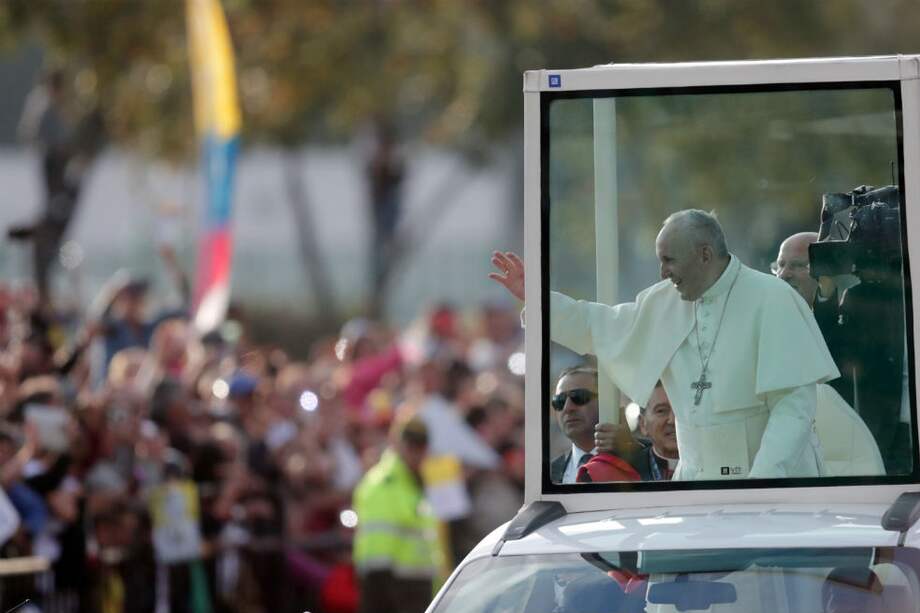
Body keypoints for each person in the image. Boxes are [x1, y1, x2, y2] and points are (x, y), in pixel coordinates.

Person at [491, 209, 838, 480]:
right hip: (698, 483)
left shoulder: (773, 299)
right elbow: (597, 325)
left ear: (704, 254)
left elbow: (794, 407)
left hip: (775, 485)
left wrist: (763, 481)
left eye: (669, 260)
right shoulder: (663, 302)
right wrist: (536, 298)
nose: (662, 273)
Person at [773, 231, 908, 474]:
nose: (783, 274)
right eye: (780, 265)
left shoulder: (857, 310)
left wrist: (826, 294)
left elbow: (833, 361)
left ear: (827, 269)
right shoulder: (766, 318)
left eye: (798, 266)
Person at [352, 415, 440, 613]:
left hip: (417, 589)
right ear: (399, 445)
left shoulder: (416, 484)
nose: (418, 454)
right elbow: (376, 558)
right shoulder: (381, 484)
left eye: (421, 447)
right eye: (412, 446)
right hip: (392, 592)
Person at [550, 366, 648, 483]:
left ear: (605, 402)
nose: (567, 408)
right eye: (559, 401)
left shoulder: (647, 455)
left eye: (579, 397)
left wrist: (631, 452)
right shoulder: (549, 473)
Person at [635, 382, 679, 481]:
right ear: (643, 424)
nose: (673, 420)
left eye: (679, 410)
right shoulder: (627, 470)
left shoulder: (713, 465)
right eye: (661, 411)